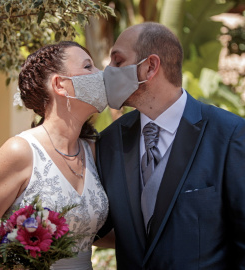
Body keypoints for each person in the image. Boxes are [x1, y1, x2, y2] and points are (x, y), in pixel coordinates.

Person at [96, 22, 245, 269]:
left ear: (150, 67)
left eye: (118, 61)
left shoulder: (230, 135)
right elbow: (102, 227)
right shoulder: (110, 140)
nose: (108, 71)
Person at [0, 41, 110, 269]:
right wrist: (20, 265)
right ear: (60, 85)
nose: (100, 75)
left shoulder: (93, 151)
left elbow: (95, 231)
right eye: (88, 67)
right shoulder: (20, 151)